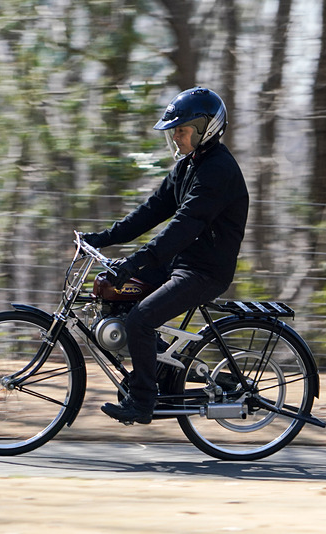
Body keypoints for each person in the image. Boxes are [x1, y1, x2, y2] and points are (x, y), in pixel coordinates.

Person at [81, 87, 249, 425]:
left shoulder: (217, 171)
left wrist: (134, 262)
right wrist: (102, 238)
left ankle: (143, 402)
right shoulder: (189, 166)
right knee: (119, 298)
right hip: (180, 263)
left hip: (204, 271)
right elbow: (150, 212)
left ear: (206, 129)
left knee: (140, 320)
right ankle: (158, 367)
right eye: (174, 130)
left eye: (182, 130)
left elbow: (184, 227)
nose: (176, 137)